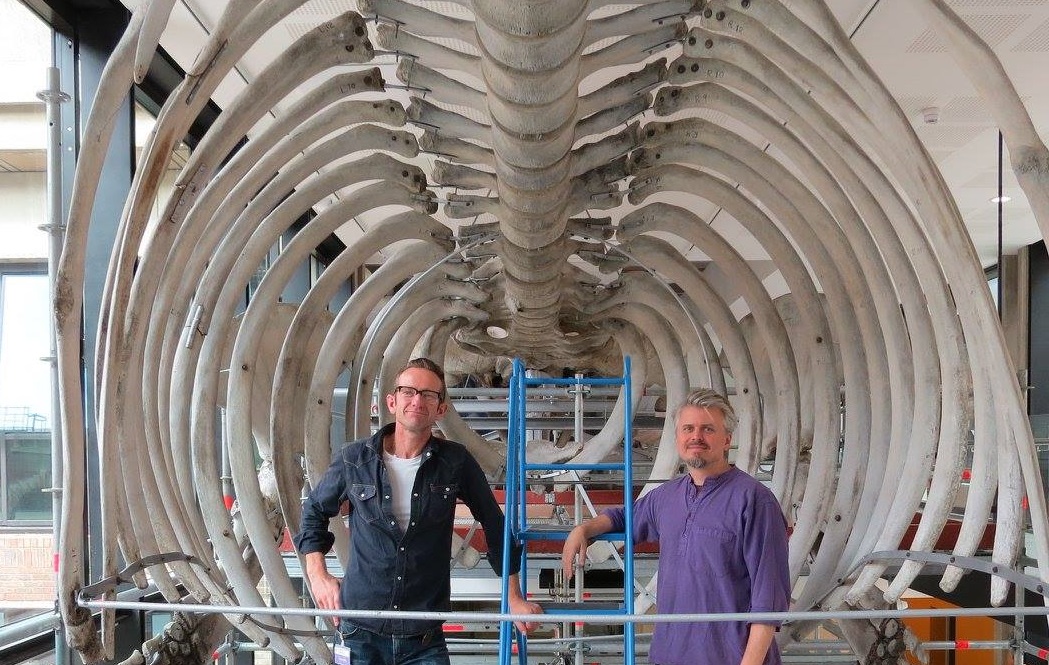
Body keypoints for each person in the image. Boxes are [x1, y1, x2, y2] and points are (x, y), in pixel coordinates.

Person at [295, 357, 542, 664]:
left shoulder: (455, 461)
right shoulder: (354, 459)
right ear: (392, 401)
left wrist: (514, 596)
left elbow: (494, 523)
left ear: (441, 408)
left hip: (424, 637)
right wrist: (317, 575)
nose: (417, 400)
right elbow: (314, 512)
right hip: (360, 631)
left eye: (428, 394)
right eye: (408, 391)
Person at [561, 388, 791, 665]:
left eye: (708, 429)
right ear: (678, 438)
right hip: (669, 656)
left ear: (727, 439)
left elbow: (768, 600)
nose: (696, 436)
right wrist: (584, 529)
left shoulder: (755, 501)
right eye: (688, 428)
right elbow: (623, 517)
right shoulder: (666, 497)